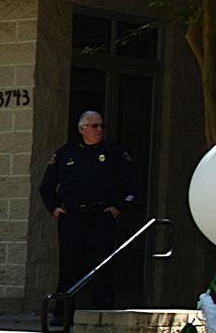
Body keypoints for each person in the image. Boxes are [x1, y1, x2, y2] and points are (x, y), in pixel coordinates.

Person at [39, 110, 143, 309]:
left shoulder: (114, 153)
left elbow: (133, 185)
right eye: (94, 126)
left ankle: (103, 313)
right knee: (69, 267)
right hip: (72, 218)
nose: (99, 130)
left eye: (101, 126)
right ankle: (62, 314)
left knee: (101, 267)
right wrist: (54, 209)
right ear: (82, 129)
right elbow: (47, 186)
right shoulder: (66, 154)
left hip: (101, 218)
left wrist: (118, 209)